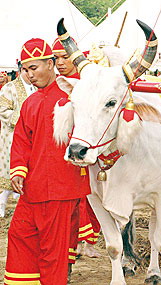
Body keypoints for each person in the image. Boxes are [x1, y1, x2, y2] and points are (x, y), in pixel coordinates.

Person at [3, 38, 90, 285]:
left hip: (62, 188)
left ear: (51, 64)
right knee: (19, 234)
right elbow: (21, 141)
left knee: (54, 251)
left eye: (35, 67)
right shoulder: (31, 103)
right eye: (26, 70)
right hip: (33, 187)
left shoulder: (74, 96)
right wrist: (18, 171)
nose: (30, 75)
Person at [52, 38, 102, 262]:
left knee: (89, 197)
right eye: (56, 58)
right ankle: (73, 248)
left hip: (86, 149)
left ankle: (87, 242)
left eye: (65, 57)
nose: (61, 63)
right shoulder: (56, 85)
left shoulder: (89, 86)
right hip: (60, 153)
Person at [0, 62, 36, 218]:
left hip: (32, 136)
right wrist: (23, 120)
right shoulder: (10, 88)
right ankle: (1, 203)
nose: (31, 75)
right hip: (12, 136)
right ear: (22, 70)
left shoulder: (37, 87)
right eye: (27, 71)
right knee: (9, 168)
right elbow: (3, 109)